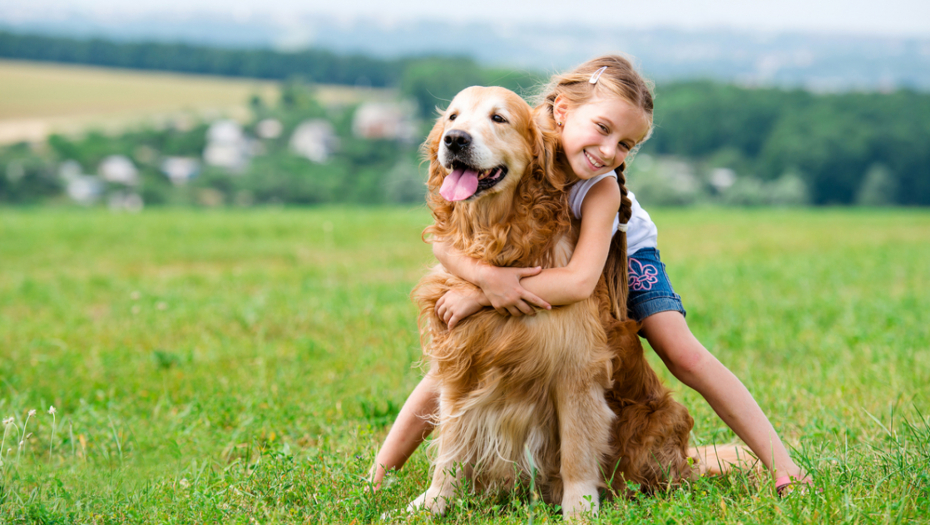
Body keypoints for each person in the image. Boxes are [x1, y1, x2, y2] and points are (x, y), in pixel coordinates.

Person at [371, 54, 811, 496]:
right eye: (603, 128)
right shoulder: (511, 135)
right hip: (532, 255)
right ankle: (380, 471)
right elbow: (442, 236)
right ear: (562, 111)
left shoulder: (600, 186)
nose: (609, 151)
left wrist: (485, 293)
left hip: (620, 253)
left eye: (625, 145)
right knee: (461, 355)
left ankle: (782, 465)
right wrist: (484, 280)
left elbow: (580, 281)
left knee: (680, 352)